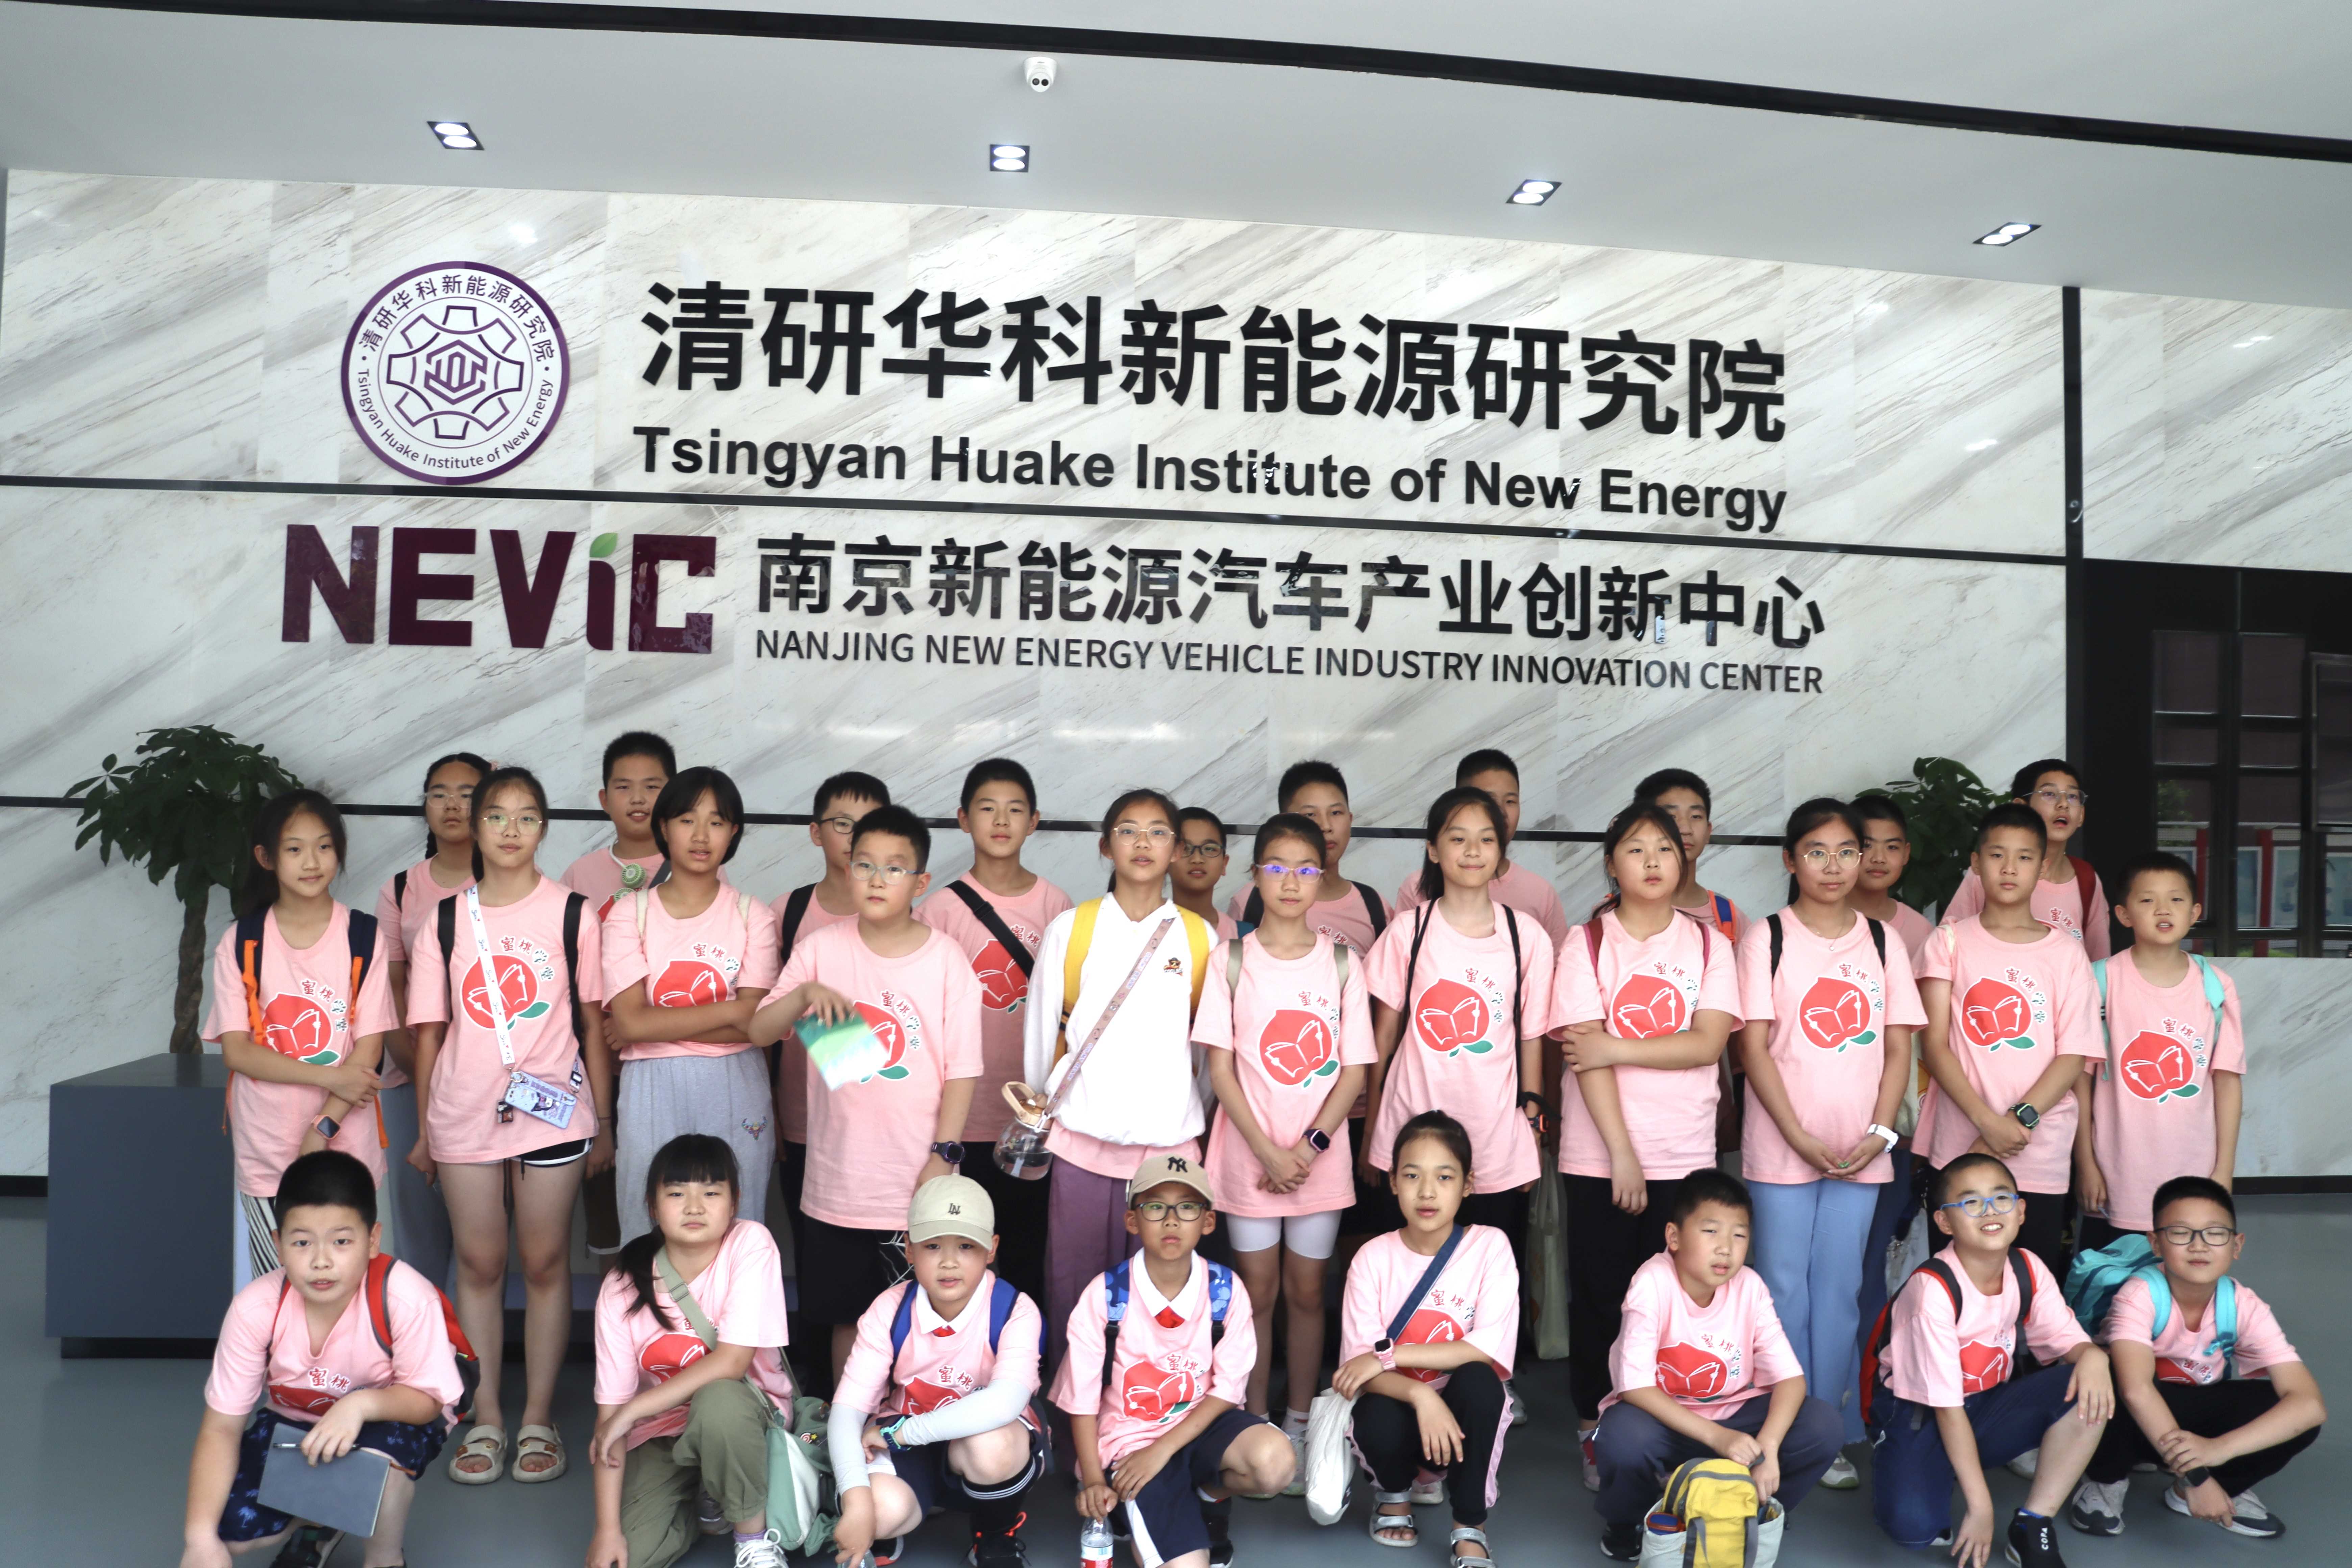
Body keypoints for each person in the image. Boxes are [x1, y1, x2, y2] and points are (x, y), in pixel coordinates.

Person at [406, 765, 614, 1486]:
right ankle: (487, 1415)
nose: (510, 830)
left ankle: (539, 1419)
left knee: (547, 1263)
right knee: (479, 1265)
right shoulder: (443, 920)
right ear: (475, 826)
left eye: (527, 817)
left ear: (544, 829)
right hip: (464, 1113)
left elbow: (593, 1024)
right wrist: (426, 1131)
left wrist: (605, 1123)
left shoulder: (573, 914)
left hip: (553, 1113)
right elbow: (430, 1035)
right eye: (497, 815)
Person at [753, 803, 982, 1386]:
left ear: (920, 883)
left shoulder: (947, 960)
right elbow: (758, 1031)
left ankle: (916, 1428)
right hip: (839, 1184)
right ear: (848, 869)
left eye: (894, 868)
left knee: (926, 1320)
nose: (878, 879)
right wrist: (803, 994)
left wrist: (944, 1155)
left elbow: (963, 1071)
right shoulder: (822, 949)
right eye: (865, 865)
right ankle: (848, 1428)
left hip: (920, 1178)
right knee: (848, 1322)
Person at [1734, 799, 1925, 1485]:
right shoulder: (1767, 939)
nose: (1835, 866)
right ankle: (1788, 1432)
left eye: (1848, 851)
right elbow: (1753, 1048)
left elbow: (1899, 1048)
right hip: (1781, 1145)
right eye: (1817, 852)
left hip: (1862, 1151)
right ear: (1791, 860)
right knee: (1783, 1290)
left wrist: (1881, 1133)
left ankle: (1834, 1430)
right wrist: (1794, 1134)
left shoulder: (1883, 941)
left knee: (1842, 1291)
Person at [1548, 802, 1739, 1485]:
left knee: (1675, 1304)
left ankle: (1665, 1432)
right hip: (1601, 1157)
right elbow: (1584, 1056)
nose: (1654, 860)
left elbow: (1707, 1044)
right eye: (1636, 848)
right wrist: (1622, 1154)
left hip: (1685, 1153)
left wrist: (1618, 1045)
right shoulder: (1587, 943)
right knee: (1603, 1298)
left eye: (1665, 848)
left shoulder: (1711, 945)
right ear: (1611, 864)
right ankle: (1595, 1430)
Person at [179, 1151, 461, 1568]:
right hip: (296, 1423)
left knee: (378, 1470)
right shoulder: (256, 1308)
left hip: (391, 1417)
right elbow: (222, 1427)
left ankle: (385, 1557)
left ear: (373, 1239)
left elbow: (428, 1402)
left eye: (342, 1241)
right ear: (278, 1244)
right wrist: (199, 1539)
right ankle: (320, 1520)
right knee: (227, 1534)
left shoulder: (405, 1296)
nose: (321, 1260)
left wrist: (359, 1404)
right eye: (302, 1242)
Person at [1021, 789, 1219, 1382]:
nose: (1142, 843)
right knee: (1075, 1286)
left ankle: (1152, 1407)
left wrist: (1186, 1109)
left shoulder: (1200, 938)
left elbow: (1207, 1053)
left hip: (1168, 1151)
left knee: (1162, 1293)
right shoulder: (1072, 929)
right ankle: (1073, 1406)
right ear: (1106, 846)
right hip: (1082, 1141)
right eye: (1128, 831)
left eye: (1158, 832)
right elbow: (1041, 1038)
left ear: (1176, 850)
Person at [1197, 813, 1375, 1462]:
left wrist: (1308, 1149)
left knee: (1307, 1293)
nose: (1291, 882)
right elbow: (1221, 1070)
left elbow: (1354, 1072)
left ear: (1321, 878)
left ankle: (1300, 1420)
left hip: (1317, 1164)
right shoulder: (1231, 960)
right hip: (1248, 1158)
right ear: (1255, 877)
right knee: (1256, 1295)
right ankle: (1253, 1421)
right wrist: (1270, 1152)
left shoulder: (1343, 963)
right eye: (1277, 868)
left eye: (1305, 869)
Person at [1869, 1153, 2113, 1568]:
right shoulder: (1932, 1291)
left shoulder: (2027, 1267)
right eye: (1971, 1202)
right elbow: (1947, 1408)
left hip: (1984, 1403)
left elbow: (2069, 1341)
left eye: (2001, 1198)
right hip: (1920, 1413)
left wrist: (2093, 1356)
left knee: (2088, 1383)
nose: (1989, 1211)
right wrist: (1981, 1506)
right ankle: (1911, 1462)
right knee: (1913, 1530)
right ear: (1945, 1222)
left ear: (2021, 1210)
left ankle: (2033, 1522)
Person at [1053, 1156, 1294, 1568]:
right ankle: (1130, 1507)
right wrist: (1092, 1479)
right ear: (1132, 1220)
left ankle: (1205, 1497)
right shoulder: (1106, 1295)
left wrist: (1163, 1449)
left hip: (1200, 1428)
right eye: (1155, 1206)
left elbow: (1227, 1390)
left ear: (1208, 1221)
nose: (1171, 1220)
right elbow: (1082, 1399)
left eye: (1187, 1207)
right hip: (1132, 1444)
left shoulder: (1225, 1289)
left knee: (1276, 1461)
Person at [1591, 1170, 1844, 1561]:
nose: (1726, 1248)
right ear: (1674, 1236)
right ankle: (1629, 1520)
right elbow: (1635, 1387)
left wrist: (1768, 1448)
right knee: (1623, 1436)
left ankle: (1753, 1506)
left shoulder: (1750, 1285)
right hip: (1665, 1419)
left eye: (1739, 1235)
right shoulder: (1652, 1282)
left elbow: (1791, 1379)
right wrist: (1718, 1438)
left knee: (1823, 1425)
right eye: (1711, 1231)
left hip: (1737, 1413)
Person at [207, 790, 396, 1288]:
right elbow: (238, 1051)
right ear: (266, 858)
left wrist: (322, 1128)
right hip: (268, 1148)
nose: (312, 862)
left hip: (347, 1151)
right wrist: (331, 1076)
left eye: (324, 846)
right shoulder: (241, 942)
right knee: (281, 1289)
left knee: (349, 1290)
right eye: (294, 849)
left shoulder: (364, 936)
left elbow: (369, 1050)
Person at [2068, 1176, 2325, 1540]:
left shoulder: (2244, 1305)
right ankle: (2105, 1480)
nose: (2199, 1245)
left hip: (2189, 1422)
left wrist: (2218, 1450)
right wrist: (2198, 1475)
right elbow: (2136, 1391)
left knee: (2288, 1411)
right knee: (2112, 1376)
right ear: (2156, 1242)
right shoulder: (2140, 1294)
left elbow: (2310, 1405)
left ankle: (2207, 1488)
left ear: (2237, 1245)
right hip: (2131, 1420)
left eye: (2215, 1233)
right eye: (2180, 1233)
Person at [587, 1135, 794, 1568]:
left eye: (712, 1193)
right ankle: (702, 1497)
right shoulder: (622, 1286)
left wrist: (633, 1409)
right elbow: (610, 1422)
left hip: (744, 1422)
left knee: (719, 1399)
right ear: (652, 1204)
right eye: (677, 1193)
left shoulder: (750, 1243)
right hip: (662, 1434)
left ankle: (752, 1538)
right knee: (631, 1557)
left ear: (735, 1202)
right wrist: (606, 1530)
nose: (695, 1207)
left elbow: (733, 1361)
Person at [1914, 805, 2102, 1278]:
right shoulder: (1948, 942)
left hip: (2039, 1148)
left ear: (2043, 866)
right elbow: (1934, 1045)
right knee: (1956, 1281)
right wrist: (1986, 1125)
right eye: (1997, 855)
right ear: (1976, 863)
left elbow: (2073, 1055)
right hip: (1960, 1144)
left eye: (2024, 857)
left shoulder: (2067, 953)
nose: (2010, 868)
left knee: (2032, 1282)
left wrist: (2016, 1122)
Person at [1360, 786, 1555, 1238]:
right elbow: (1383, 1038)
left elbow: (1530, 1039)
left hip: (1496, 1139)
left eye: (1486, 839)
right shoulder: (1408, 930)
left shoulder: (1527, 937)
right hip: (1410, 1131)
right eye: (1458, 838)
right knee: (1410, 1264)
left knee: (1489, 1266)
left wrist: (1532, 1132)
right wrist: (1372, 1131)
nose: (1473, 851)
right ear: (1433, 850)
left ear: (1501, 851)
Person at [602, 767, 781, 1244]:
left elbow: (759, 1026)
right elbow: (630, 1024)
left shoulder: (754, 915)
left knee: (738, 1224)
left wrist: (654, 1023)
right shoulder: (630, 913)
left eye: (716, 822)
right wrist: (733, 1010)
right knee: (648, 1226)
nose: (701, 835)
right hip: (652, 1085)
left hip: (736, 1081)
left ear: (734, 832)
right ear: (664, 827)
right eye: (687, 820)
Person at [917, 757, 1074, 1306]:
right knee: (957, 1262)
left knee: (1029, 1255)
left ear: (1035, 821)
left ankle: (1023, 1355)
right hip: (963, 1119)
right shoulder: (939, 910)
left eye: (1015, 810)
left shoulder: (1058, 907)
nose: (1001, 821)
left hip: (1035, 1119)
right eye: (987, 808)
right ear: (963, 819)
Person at [828, 1175, 1046, 1568]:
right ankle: (895, 1516)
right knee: (879, 1512)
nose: (949, 1261)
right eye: (933, 1245)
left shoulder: (1015, 1308)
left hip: (964, 1442)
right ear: (909, 1249)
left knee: (993, 1447)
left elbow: (1004, 1402)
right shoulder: (889, 1308)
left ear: (992, 1248)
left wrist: (899, 1434)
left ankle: (994, 1534)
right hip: (905, 1440)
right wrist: (857, 1502)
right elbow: (847, 1410)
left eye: (966, 1245)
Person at [1332, 1112, 1518, 1562]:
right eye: (1413, 1175)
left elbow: (1484, 1348)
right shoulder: (1371, 1258)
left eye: (1445, 1177)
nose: (1428, 1192)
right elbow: (1358, 1370)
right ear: (1393, 1182)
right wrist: (1420, 1395)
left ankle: (1470, 1524)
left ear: (1468, 1185)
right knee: (1375, 1409)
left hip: (1459, 1421)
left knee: (1480, 1383)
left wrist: (1391, 1356)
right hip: (1399, 1411)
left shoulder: (1489, 1247)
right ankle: (1393, 1495)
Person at [2074, 853, 2244, 1252]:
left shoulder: (2215, 986)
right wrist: (2086, 1163)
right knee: (2111, 1283)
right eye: (2148, 900)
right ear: (2123, 914)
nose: (2163, 909)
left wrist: (2224, 1169)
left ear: (2195, 912)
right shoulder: (2101, 981)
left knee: (2186, 1276)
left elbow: (2227, 1082)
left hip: (2195, 1177)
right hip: (2118, 1178)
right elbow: (2079, 1082)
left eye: (2176, 899)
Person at [372, 750, 489, 1287]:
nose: (452, 805)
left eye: (467, 794)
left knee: (482, 1239)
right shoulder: (401, 889)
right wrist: (416, 1061)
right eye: (440, 794)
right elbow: (390, 986)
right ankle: (420, 1336)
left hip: (488, 1082)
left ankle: (470, 1336)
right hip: (407, 1077)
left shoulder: (514, 884)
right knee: (418, 1226)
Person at [772, 770, 893, 1272]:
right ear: (816, 832)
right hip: (803, 1117)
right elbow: (766, 1020)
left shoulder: (907, 917)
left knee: (887, 1264)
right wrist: (771, 1109)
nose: (854, 836)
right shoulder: (789, 912)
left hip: (886, 1124)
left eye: (869, 824)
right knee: (817, 1257)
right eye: (843, 823)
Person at [1393, 751, 1568, 948]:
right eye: (1488, 801)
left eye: (1511, 802)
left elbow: (1556, 963)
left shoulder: (1540, 893)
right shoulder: (1415, 888)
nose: (1501, 813)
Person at [1941, 761, 2112, 959]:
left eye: (2073, 796)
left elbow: (2098, 963)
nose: (2064, 804)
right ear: (2021, 807)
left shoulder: (2086, 879)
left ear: (2081, 815)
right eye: (2050, 794)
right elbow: (1949, 946)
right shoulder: (1993, 872)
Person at [1224, 761, 1390, 953]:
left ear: (1350, 820)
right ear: (1286, 821)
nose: (1325, 826)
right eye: (1310, 815)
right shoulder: (1250, 902)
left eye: (1336, 813)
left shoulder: (1374, 907)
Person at [562, 731, 679, 911]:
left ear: (674, 796)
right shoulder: (579, 875)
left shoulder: (696, 867)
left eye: (652, 787)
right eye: (624, 787)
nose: (638, 799)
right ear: (605, 801)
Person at [1633, 768, 1746, 942]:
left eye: (1696, 816)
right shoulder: (1613, 912)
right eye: (1671, 817)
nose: (1685, 829)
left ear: (1708, 832)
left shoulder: (1729, 919)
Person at [1850, 794, 1937, 963]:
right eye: (1867, 845)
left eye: (1892, 847)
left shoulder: (1920, 930)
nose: (1879, 859)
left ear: (1906, 854)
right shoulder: (1818, 921)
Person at [1173, 807, 1240, 939]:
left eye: (1209, 849)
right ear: (1166, 859)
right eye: (1185, 849)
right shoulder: (1145, 930)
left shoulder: (1243, 935)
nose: (1197, 859)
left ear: (1224, 864)